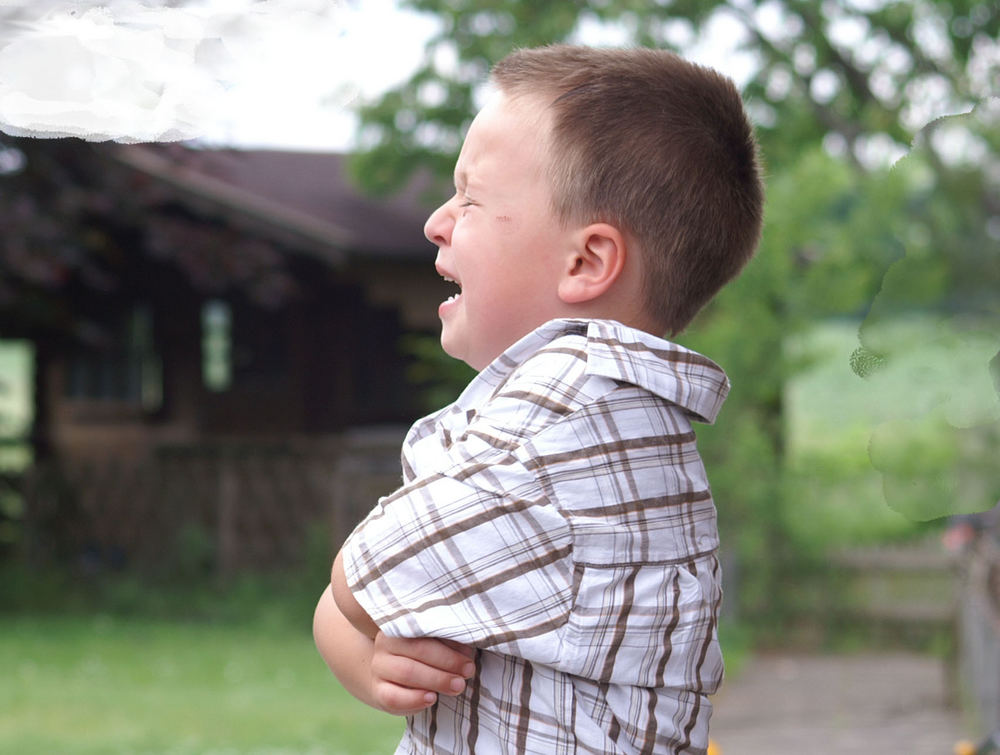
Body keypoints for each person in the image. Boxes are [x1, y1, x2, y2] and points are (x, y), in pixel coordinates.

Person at [314, 44, 764, 754]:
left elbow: (352, 583)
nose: (438, 220)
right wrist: (377, 660)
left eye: (470, 196)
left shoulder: (554, 422)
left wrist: (366, 642)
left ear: (586, 261)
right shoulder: (634, 419)